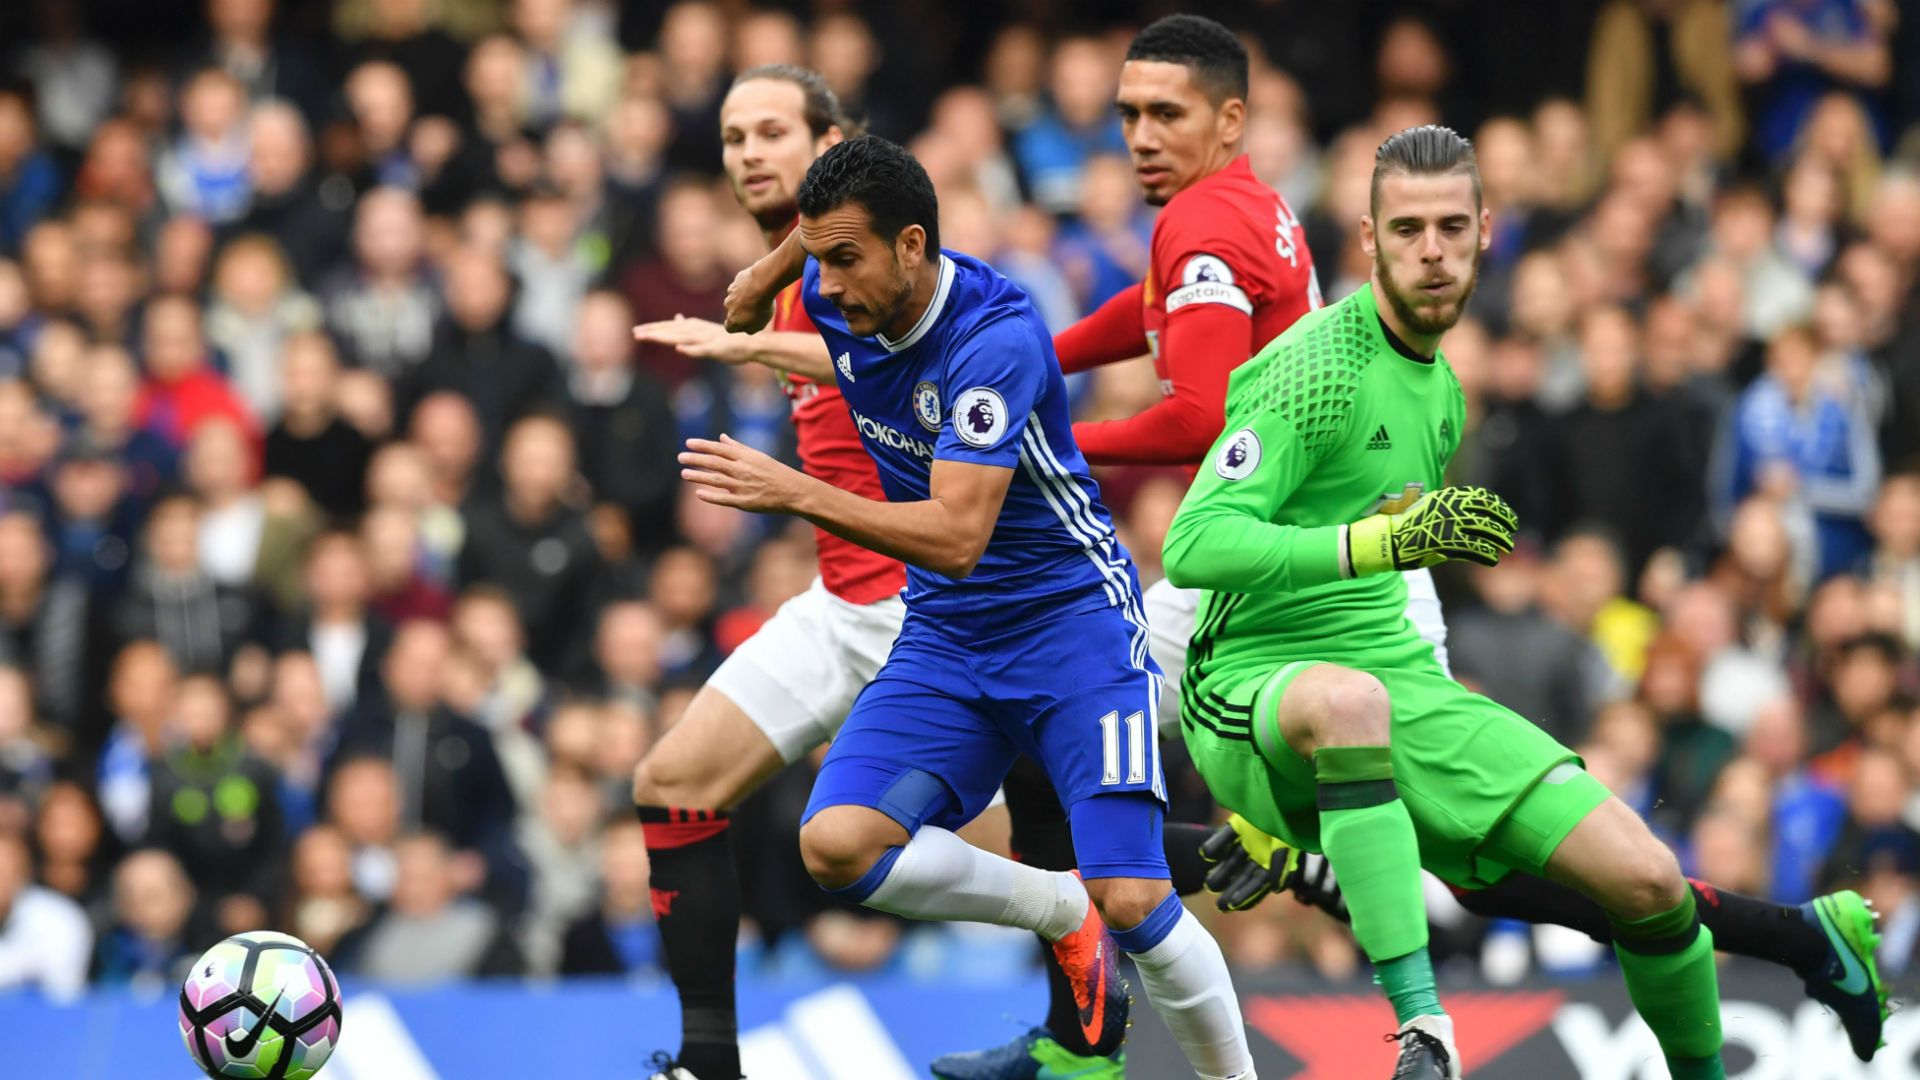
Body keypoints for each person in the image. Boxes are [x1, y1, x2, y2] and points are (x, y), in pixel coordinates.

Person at [1162, 124, 1731, 1079]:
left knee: (1649, 880)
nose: (1432, 250)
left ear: (1485, 234)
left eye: (1451, 228)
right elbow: (1194, 545)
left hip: (1393, 680)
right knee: (1353, 704)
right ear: (1369, 240)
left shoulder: (1446, 395)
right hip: (1249, 679)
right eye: (1408, 229)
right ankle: (1424, 1032)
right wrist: (1379, 542)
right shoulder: (1315, 368)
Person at [703, 134, 1254, 1080]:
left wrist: (793, 491)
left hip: (1071, 625)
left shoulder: (994, 338)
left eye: (846, 259)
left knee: (1131, 895)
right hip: (949, 636)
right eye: (818, 257)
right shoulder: (841, 288)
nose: (827, 285)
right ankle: (1059, 909)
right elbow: (823, 238)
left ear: (912, 245)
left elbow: (959, 535)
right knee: (836, 845)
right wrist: (765, 277)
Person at [623, 65, 905, 1080]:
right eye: (734, 136)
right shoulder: (782, 273)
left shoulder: (877, 246)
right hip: (844, 601)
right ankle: (710, 1061)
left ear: (831, 143)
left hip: (933, 604)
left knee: (1061, 851)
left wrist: (750, 352)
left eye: (772, 131)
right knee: (672, 783)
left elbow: (906, 363)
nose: (747, 152)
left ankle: (1257, 859)